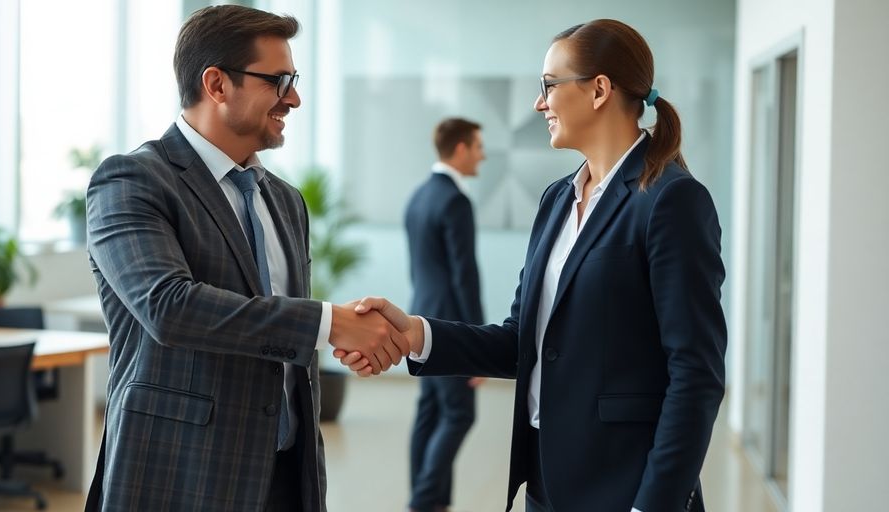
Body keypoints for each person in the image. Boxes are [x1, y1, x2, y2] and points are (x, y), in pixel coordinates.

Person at [338, 19, 726, 512]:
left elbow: (695, 373)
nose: (539, 103)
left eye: (548, 86)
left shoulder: (671, 200)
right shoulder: (557, 200)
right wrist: (414, 333)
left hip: (626, 487)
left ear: (600, 89)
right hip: (547, 482)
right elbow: (522, 339)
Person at [84, 5, 409, 511]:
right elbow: (170, 308)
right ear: (216, 84)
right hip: (179, 475)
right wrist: (329, 324)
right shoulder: (133, 180)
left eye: (294, 80)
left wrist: (347, 336)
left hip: (283, 472)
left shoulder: (285, 200)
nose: (294, 98)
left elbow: (278, 336)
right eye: (279, 81)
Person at [405, 118, 487, 512]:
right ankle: (423, 503)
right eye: (477, 147)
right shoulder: (456, 201)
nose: (482, 155)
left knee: (431, 411)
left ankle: (432, 503)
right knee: (458, 414)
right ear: (459, 149)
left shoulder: (419, 196)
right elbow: (464, 276)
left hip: (421, 317)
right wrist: (479, 342)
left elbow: (420, 270)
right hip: (451, 325)